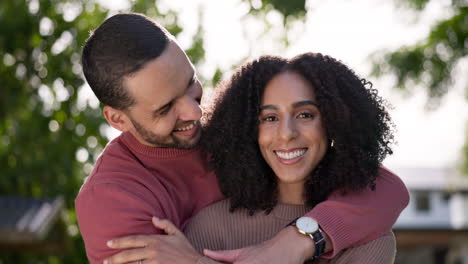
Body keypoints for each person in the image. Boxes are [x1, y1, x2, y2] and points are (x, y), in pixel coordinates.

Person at [75, 13, 409, 264]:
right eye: (166, 109)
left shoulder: (230, 128)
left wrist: (298, 239)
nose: (194, 112)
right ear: (117, 119)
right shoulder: (111, 202)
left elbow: (387, 189)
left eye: (190, 85)